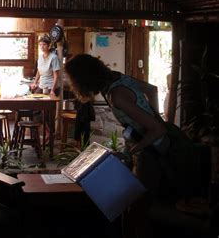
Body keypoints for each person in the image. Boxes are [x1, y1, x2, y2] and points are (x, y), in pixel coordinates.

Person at [65, 54, 194, 237]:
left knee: (138, 209)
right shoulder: (117, 78)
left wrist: (133, 149)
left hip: (151, 152)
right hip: (147, 146)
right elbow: (152, 90)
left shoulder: (116, 95)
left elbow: (158, 130)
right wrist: (152, 115)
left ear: (84, 79)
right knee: (134, 205)